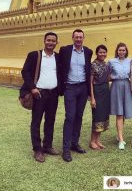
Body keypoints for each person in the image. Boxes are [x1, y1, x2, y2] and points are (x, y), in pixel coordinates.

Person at [20, 32, 61, 163]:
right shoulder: (35, 55)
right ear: (44, 41)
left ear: (56, 43)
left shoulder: (58, 57)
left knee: (50, 120)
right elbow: (25, 72)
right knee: (36, 121)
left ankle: (47, 145)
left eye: (53, 41)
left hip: (53, 93)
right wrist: (32, 88)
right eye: (48, 40)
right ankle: (38, 149)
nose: (50, 43)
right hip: (39, 94)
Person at [59, 29, 93, 162]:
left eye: (81, 37)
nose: (78, 39)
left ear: (83, 38)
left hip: (83, 88)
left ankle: (74, 143)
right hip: (70, 88)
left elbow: (88, 69)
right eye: (76, 37)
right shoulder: (65, 50)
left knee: (79, 116)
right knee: (70, 117)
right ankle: (66, 149)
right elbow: (60, 66)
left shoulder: (88, 52)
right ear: (72, 38)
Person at [109, 43, 132, 150]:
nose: (122, 52)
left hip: (127, 85)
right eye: (120, 50)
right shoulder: (111, 61)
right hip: (116, 86)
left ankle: (119, 134)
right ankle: (121, 139)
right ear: (117, 51)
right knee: (119, 113)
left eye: (123, 50)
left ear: (126, 51)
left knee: (123, 112)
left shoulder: (130, 61)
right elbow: (107, 74)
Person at [89, 45, 110, 150]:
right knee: (97, 116)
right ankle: (92, 141)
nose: (103, 54)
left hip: (106, 92)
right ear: (97, 53)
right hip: (97, 92)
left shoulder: (106, 65)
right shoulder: (93, 65)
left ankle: (98, 140)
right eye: (100, 52)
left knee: (103, 116)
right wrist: (92, 98)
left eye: (104, 52)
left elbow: (109, 78)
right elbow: (90, 83)